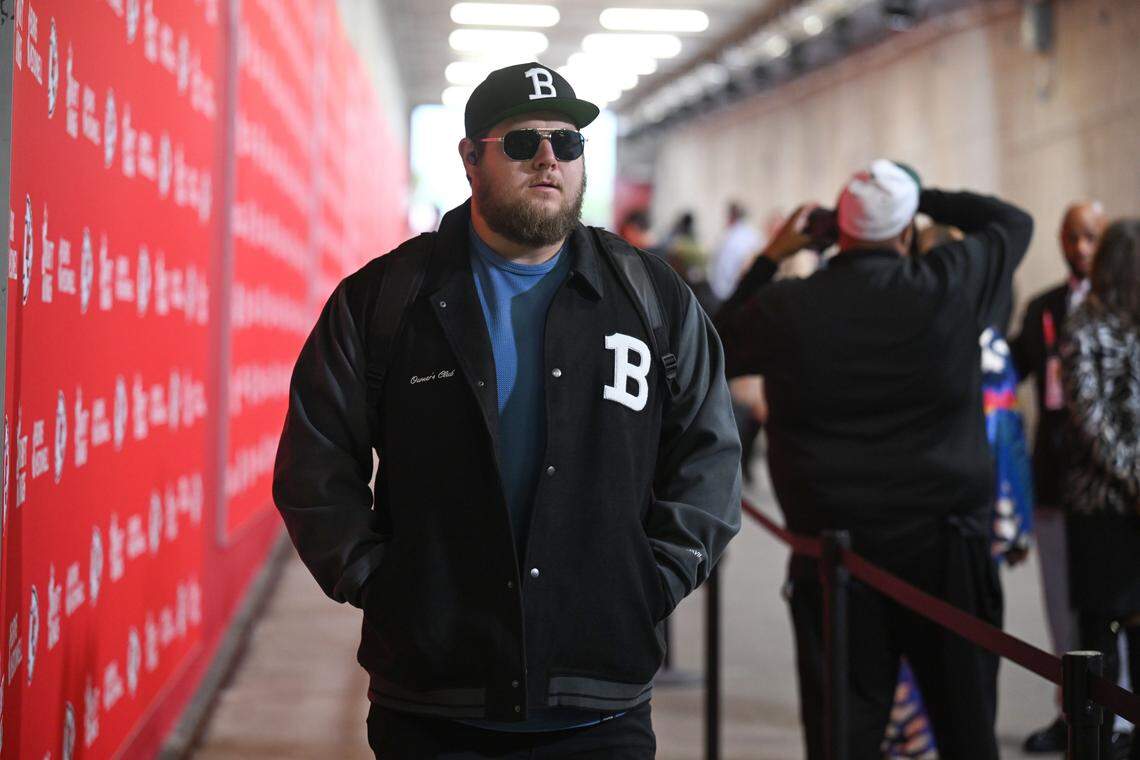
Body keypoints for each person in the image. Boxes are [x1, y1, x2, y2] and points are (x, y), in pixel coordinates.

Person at [272, 61, 742, 758]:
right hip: (435, 700)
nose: (550, 158)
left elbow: (709, 452)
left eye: (568, 142)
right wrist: (377, 579)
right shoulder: (388, 298)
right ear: (470, 158)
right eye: (523, 143)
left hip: (601, 704)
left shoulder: (650, 297)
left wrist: (655, 576)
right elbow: (315, 459)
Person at [716, 159, 1033, 759]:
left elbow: (715, 342)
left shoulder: (789, 306)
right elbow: (1010, 221)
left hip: (836, 557)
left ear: (839, 230)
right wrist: (922, 193)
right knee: (966, 727)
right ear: (908, 227)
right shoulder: (951, 283)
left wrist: (770, 257)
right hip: (946, 552)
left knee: (845, 735)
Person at [1011, 201, 1110, 753]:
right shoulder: (1042, 309)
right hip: (1052, 482)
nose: (1081, 249)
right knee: (1059, 603)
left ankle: (1116, 716)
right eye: (1072, 237)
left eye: (1091, 238)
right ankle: (1070, 712)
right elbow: (1011, 372)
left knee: (1108, 607)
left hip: (1108, 493)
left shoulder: (1122, 308)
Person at [1060, 218, 1140, 760]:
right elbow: (1088, 415)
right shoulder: (1082, 324)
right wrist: (1135, 477)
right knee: (1099, 634)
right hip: (1102, 505)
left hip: (1130, 502)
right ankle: (1096, 743)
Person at [708, 201, 764, 304]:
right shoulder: (755, 236)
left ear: (731, 216)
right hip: (744, 296)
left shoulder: (726, 237)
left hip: (725, 295)